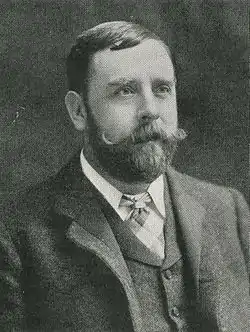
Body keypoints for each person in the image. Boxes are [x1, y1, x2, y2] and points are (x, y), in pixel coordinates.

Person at [1, 21, 249, 332]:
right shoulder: (16, 235)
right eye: (125, 91)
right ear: (78, 111)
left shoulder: (227, 210)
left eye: (162, 89)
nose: (150, 110)